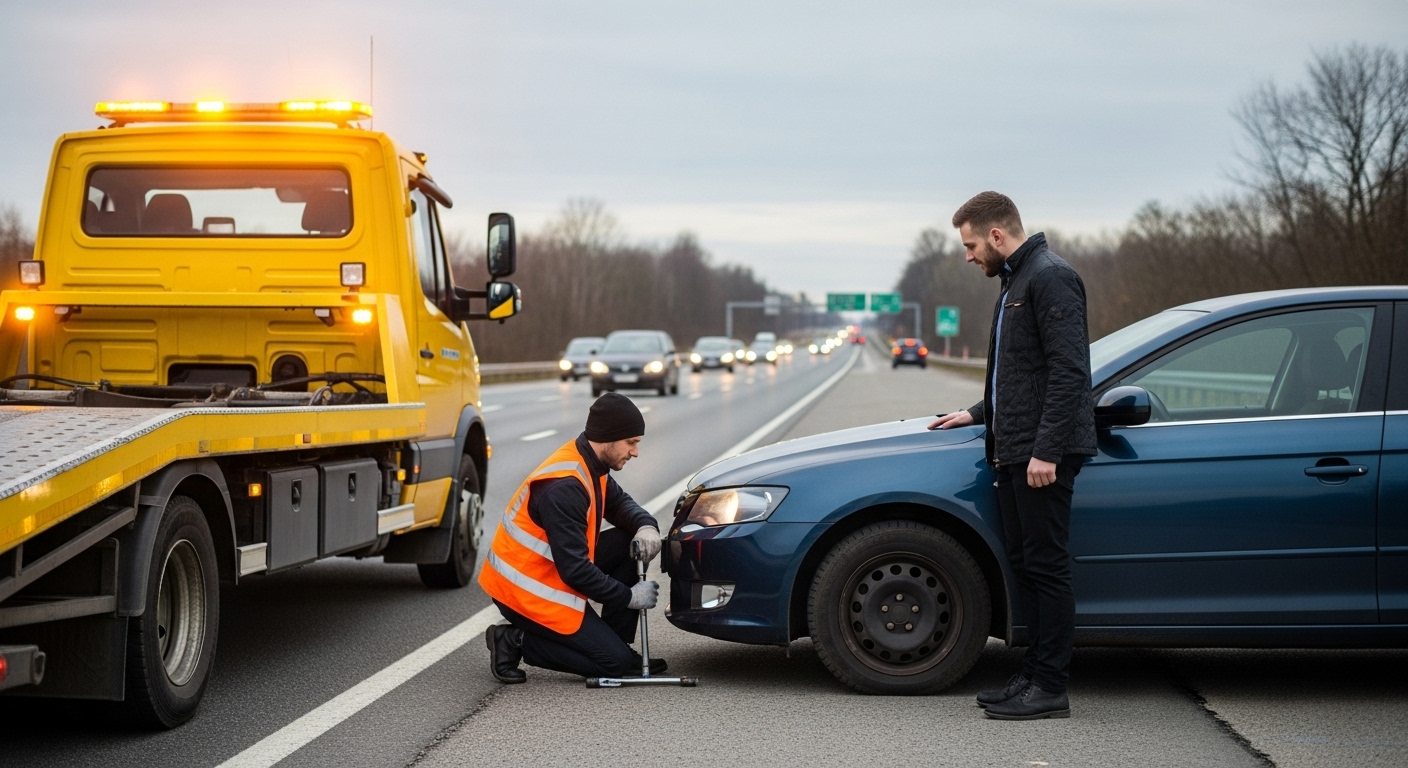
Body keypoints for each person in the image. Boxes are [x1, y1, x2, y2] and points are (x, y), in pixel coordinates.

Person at [929, 191, 1095, 720]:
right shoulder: (1014, 281)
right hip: (1015, 450)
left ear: (997, 236)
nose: (969, 255)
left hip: (1041, 456)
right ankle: (1031, 675)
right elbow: (1019, 375)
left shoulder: (1050, 276)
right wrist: (977, 414)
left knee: (1048, 568)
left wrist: (1046, 452)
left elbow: (1070, 371)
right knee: (1027, 565)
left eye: (972, 244)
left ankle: (1050, 687)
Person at [479, 392, 664, 683]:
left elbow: (619, 504)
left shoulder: (592, 463)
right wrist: (629, 597)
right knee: (610, 664)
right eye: (631, 443)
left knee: (632, 541)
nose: (635, 452)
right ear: (608, 438)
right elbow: (575, 572)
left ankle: (616, 643)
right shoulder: (564, 486)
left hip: (550, 570)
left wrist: (646, 526)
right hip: (524, 590)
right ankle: (513, 639)